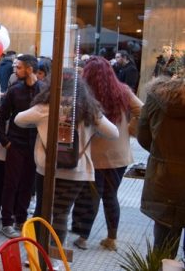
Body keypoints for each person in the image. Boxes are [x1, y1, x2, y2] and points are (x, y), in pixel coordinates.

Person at [15, 70, 118, 245]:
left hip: (47, 170)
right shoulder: (89, 111)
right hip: (76, 172)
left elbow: (19, 119)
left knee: (42, 211)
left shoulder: (45, 108)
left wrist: (40, 125)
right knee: (62, 213)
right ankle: (54, 257)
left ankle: (35, 255)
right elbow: (113, 133)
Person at [70, 56, 143, 251]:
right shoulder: (123, 91)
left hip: (93, 155)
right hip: (119, 155)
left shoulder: (84, 94)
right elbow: (143, 111)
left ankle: (82, 237)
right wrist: (130, 128)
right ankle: (112, 238)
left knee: (89, 197)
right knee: (111, 196)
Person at [0, 54, 45, 239]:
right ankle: (7, 221)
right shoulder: (14, 91)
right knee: (11, 183)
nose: (15, 70)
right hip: (15, 143)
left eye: (19, 67)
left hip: (35, 144)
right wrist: (5, 141)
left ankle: (21, 219)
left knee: (28, 183)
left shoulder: (44, 91)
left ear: (30, 69)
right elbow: (1, 118)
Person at [137, 75, 185, 259]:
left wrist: (162, 154)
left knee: (163, 249)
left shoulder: (157, 97)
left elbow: (143, 137)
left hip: (163, 180)